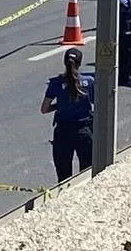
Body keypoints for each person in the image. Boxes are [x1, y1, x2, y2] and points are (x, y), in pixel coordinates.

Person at [40, 47, 95, 182]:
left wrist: (59, 105)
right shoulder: (89, 82)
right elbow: (97, 103)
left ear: (65, 62)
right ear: (80, 63)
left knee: (63, 176)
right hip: (84, 131)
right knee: (87, 174)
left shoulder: (56, 83)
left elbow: (44, 109)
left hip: (63, 132)